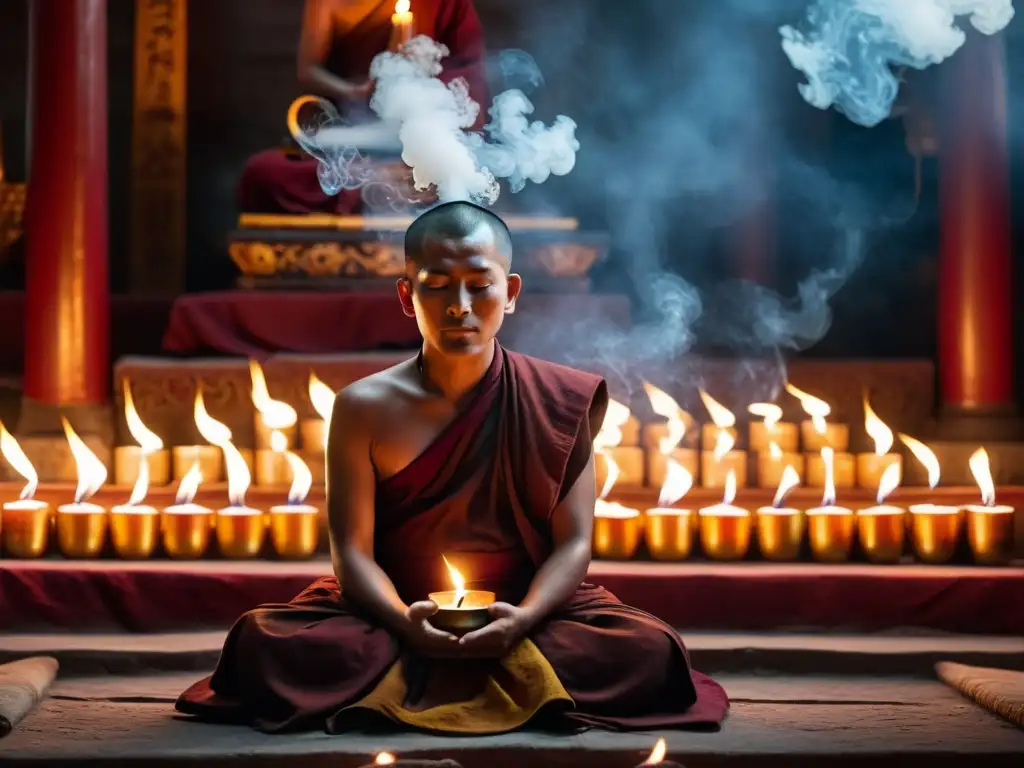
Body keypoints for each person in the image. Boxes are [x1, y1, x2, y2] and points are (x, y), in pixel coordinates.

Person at [176, 201, 729, 734]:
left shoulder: (557, 398)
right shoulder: (362, 407)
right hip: (395, 609)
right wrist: (402, 622)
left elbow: (575, 544)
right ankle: (483, 674)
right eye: (436, 286)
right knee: (263, 643)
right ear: (405, 295)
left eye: (479, 284)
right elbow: (351, 553)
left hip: (525, 607)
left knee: (646, 652)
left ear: (509, 292)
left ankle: (447, 671)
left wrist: (525, 617)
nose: (458, 305)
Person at [240, 0, 488, 214]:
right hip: (351, 142)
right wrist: (353, 92)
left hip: (414, 145)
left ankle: (389, 185)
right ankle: (378, 185)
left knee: (442, 175)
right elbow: (308, 71)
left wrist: (419, 86)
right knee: (263, 172)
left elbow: (466, 84)